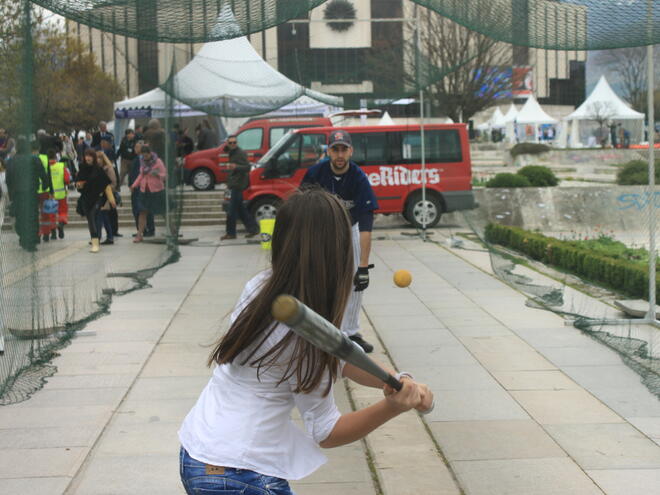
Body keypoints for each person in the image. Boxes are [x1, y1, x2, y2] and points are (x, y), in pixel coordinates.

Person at [178, 188, 433, 495]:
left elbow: (342, 356)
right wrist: (392, 408)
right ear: (338, 253)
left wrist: (395, 381)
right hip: (238, 473)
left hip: (197, 450)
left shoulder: (260, 288)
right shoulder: (310, 340)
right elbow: (326, 431)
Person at [301, 130, 378, 354]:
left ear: (351, 151)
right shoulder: (315, 173)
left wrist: (363, 266)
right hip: (321, 229)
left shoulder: (358, 178)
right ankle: (317, 330)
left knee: (355, 278)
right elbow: (301, 208)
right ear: (328, 151)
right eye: (335, 149)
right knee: (317, 278)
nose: (340, 154)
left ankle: (351, 332)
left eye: (344, 149)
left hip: (349, 228)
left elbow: (365, 224)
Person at [5, 139, 50, 251]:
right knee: (32, 216)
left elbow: (8, 179)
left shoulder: (11, 161)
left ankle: (23, 237)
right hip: (31, 192)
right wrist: (45, 185)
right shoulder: (34, 159)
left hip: (17, 193)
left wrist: (10, 194)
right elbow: (43, 174)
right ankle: (31, 240)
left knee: (20, 216)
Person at [220, 135, 259, 240]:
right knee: (241, 209)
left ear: (237, 143)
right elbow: (224, 149)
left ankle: (231, 233)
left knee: (231, 210)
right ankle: (253, 229)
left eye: (234, 142)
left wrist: (236, 167)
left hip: (237, 185)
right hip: (234, 183)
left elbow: (248, 167)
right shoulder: (231, 152)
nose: (233, 144)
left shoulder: (240, 153)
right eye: (230, 143)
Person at [76, 149, 115, 253]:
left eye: (90, 156)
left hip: (97, 198)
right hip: (86, 199)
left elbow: (106, 185)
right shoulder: (82, 169)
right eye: (86, 156)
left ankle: (95, 244)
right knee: (90, 220)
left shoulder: (98, 170)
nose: (88, 158)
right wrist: (79, 185)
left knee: (93, 217)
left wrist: (111, 199)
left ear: (93, 158)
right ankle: (95, 241)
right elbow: (78, 185)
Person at [130, 145, 167, 243]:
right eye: (143, 156)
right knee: (142, 212)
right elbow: (141, 175)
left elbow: (164, 174)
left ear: (150, 154)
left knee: (164, 212)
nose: (145, 158)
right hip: (144, 191)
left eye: (146, 156)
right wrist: (134, 185)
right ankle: (139, 235)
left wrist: (157, 174)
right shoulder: (142, 162)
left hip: (157, 190)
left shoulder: (158, 161)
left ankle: (173, 231)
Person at [128, 141, 155, 237]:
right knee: (136, 210)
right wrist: (131, 185)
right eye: (135, 147)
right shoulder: (136, 159)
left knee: (145, 210)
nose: (135, 148)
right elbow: (132, 174)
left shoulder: (146, 160)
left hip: (143, 189)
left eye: (137, 147)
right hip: (135, 189)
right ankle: (140, 229)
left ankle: (149, 229)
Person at [47, 149, 72, 240]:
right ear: (55, 157)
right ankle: (61, 224)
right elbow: (67, 180)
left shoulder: (45, 167)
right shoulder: (61, 166)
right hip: (61, 194)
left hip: (49, 195)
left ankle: (53, 234)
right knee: (62, 212)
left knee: (51, 214)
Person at [96, 151, 118, 245]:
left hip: (106, 196)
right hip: (98, 196)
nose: (98, 160)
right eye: (96, 158)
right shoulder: (97, 169)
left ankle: (107, 237)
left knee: (103, 216)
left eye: (100, 158)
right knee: (101, 217)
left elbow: (113, 183)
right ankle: (102, 237)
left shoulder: (108, 169)